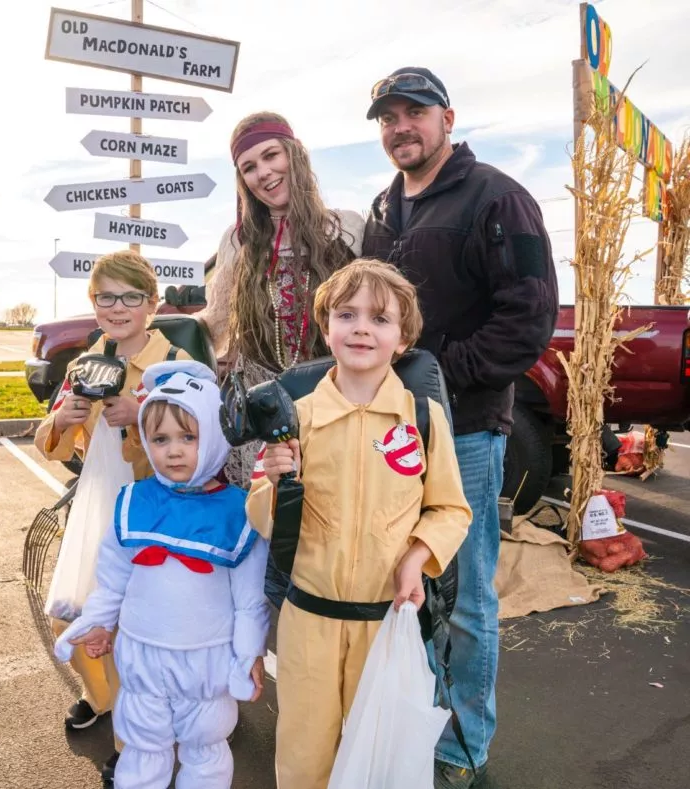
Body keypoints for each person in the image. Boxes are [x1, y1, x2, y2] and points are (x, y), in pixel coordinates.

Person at [361, 67, 559, 787]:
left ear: (447, 117)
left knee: (468, 593)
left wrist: (441, 378)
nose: (399, 127)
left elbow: (528, 319)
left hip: (468, 431)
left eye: (413, 112)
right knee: (406, 579)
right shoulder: (384, 211)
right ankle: (414, 716)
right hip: (391, 434)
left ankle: (463, 742)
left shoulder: (498, 197)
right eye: (387, 117)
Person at [246, 259, 472, 788]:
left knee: (382, 755)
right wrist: (277, 482)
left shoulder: (422, 418)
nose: (362, 328)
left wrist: (417, 558)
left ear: (402, 337)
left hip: (386, 623)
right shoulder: (294, 416)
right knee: (305, 755)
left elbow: (450, 509)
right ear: (327, 328)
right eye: (347, 314)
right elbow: (259, 517)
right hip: (309, 622)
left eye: (380, 318)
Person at [54, 360, 270, 789]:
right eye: (160, 438)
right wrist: (99, 621)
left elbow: (250, 599)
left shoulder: (239, 511)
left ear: (214, 436)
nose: (173, 450)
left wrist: (249, 654)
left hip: (206, 660)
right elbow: (112, 578)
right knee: (141, 748)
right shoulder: (133, 500)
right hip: (142, 657)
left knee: (205, 751)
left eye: (188, 437)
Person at [195, 110, 365, 607]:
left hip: (331, 399)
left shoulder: (348, 229)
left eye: (271, 156)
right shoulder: (238, 241)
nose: (264, 173)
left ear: (295, 154)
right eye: (249, 167)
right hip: (263, 401)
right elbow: (216, 319)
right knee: (268, 520)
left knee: (329, 518)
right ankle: (265, 627)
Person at [34, 250, 191, 782]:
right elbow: (50, 447)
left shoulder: (178, 368)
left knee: (132, 634)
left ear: (152, 303)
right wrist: (61, 419)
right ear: (93, 303)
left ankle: (135, 745)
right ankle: (99, 696)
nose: (117, 307)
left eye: (130, 297)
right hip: (99, 505)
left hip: (153, 512)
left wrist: (141, 422)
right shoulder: (83, 364)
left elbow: (195, 455)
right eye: (106, 297)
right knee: (71, 616)